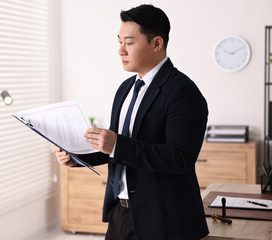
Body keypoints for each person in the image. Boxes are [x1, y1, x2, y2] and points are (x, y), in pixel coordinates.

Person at [55, 4, 209, 240]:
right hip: (120, 213)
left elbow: (180, 158)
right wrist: (75, 156)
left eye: (129, 42)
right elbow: (115, 150)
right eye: (119, 42)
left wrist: (117, 144)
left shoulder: (183, 92)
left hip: (162, 220)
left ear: (156, 44)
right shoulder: (125, 89)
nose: (120, 51)